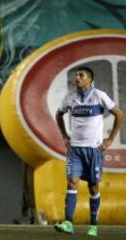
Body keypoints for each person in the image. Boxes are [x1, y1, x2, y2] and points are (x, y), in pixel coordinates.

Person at [54, 66, 124, 236]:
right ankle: (68, 222)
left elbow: (119, 115)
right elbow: (59, 115)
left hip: (94, 150)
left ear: (90, 79)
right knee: (72, 183)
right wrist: (64, 136)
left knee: (93, 187)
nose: (77, 78)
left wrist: (110, 139)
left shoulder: (99, 96)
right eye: (76, 75)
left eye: (81, 75)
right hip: (75, 150)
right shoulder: (70, 97)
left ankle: (93, 225)